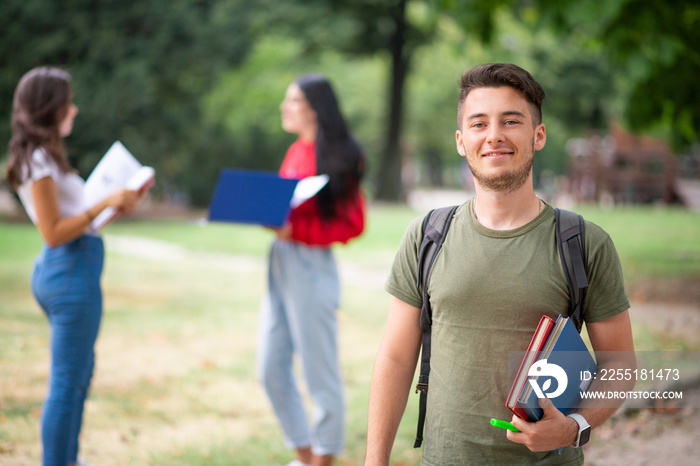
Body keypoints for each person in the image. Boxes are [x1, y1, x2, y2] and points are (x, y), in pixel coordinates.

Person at [364, 63, 634, 465]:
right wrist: (375, 460)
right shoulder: (427, 236)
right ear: (461, 140)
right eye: (478, 124)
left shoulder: (583, 243)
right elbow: (397, 358)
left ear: (538, 135)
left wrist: (575, 425)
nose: (494, 136)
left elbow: (621, 364)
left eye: (511, 121)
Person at [6, 66, 147, 466]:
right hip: (68, 272)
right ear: (51, 107)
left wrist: (117, 206)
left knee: (80, 374)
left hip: (73, 267)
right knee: (67, 382)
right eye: (68, 102)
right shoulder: (38, 162)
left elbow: (80, 223)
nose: (75, 109)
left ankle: (67, 458)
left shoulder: (46, 158)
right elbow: (53, 231)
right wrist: (102, 203)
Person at [257, 74, 366, 466]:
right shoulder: (294, 151)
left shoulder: (342, 154)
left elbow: (353, 223)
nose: (285, 107)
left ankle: (323, 461)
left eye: (293, 101)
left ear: (315, 108)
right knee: (269, 367)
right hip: (280, 261)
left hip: (312, 265)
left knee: (320, 374)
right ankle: (304, 456)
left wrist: (294, 229)